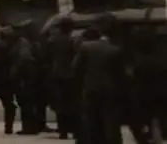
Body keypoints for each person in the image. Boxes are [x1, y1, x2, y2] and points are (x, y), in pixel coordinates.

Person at [73, 15, 125, 144]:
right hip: (110, 90)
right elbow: (120, 75)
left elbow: (75, 68)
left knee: (91, 120)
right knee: (110, 121)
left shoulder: (86, 47)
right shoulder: (116, 50)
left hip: (90, 88)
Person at [46, 17, 77, 140]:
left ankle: (63, 131)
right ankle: (75, 130)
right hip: (71, 76)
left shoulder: (52, 41)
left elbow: (46, 59)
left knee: (60, 104)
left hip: (56, 75)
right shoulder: (73, 41)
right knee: (73, 104)